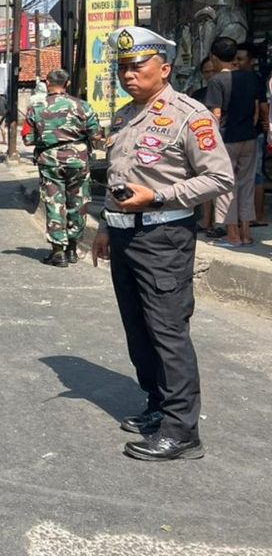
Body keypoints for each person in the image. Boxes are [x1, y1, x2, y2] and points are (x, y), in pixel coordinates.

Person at [92, 27, 232, 461]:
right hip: (124, 233)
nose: (128, 75)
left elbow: (219, 177)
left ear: (164, 68)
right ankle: (156, 405)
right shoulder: (124, 116)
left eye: (137, 67)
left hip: (163, 237)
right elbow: (116, 180)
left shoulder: (191, 115)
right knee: (138, 330)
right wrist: (104, 226)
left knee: (168, 332)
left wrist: (160, 196)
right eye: (122, 68)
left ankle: (182, 430)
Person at [24, 69, 100, 267]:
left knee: (54, 202)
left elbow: (27, 138)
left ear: (48, 82)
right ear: (66, 84)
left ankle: (58, 253)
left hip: (49, 161)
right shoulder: (82, 106)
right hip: (78, 160)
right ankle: (73, 249)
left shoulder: (36, 108)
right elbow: (96, 134)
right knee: (78, 202)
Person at [205, 36, 261, 247]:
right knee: (246, 184)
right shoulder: (250, 77)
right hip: (249, 137)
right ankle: (246, 233)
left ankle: (233, 236)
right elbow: (257, 111)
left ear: (214, 57)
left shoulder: (216, 81)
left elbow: (215, 115)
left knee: (227, 185)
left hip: (227, 139)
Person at [236, 42, 268, 227]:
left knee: (254, 176)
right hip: (249, 134)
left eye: (241, 59)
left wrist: (267, 126)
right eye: (236, 59)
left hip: (253, 135)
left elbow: (263, 107)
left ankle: (257, 216)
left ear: (251, 61)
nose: (238, 63)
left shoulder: (255, 79)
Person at [190, 56, 219, 234]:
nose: (209, 75)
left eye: (212, 71)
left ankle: (220, 224)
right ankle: (205, 221)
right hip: (201, 145)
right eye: (206, 72)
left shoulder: (224, 88)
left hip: (223, 142)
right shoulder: (198, 95)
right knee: (204, 183)